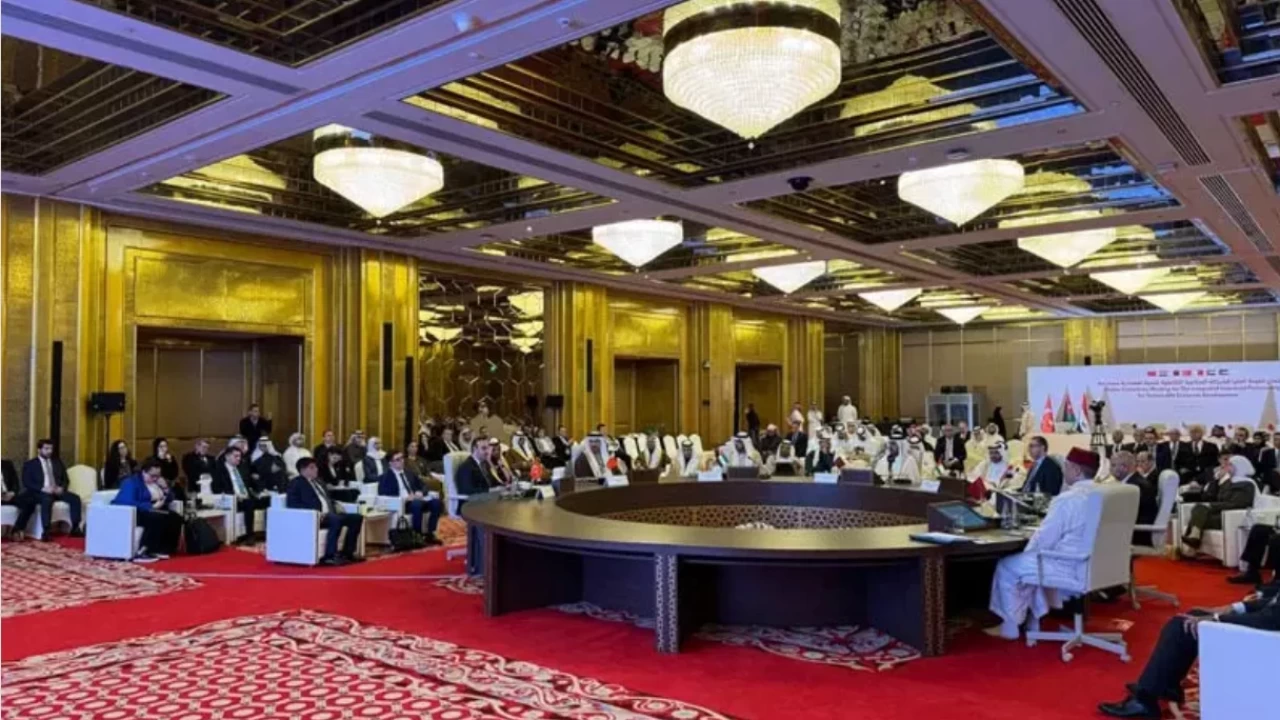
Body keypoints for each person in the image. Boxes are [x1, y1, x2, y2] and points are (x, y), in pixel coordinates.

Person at [1097, 581, 1280, 718]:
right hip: (1269, 627)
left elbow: (1272, 618)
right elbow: (1274, 602)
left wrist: (1218, 618)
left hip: (1267, 638)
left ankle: (1145, 700)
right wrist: (1233, 608)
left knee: (1181, 626)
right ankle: (1162, 686)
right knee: (1192, 616)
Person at [987, 447, 1106, 640]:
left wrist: (1026, 551)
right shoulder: (1106, 495)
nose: (1064, 471)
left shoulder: (1068, 499)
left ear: (1076, 470)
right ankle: (1033, 620)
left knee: (1009, 566)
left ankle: (1010, 626)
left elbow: (1044, 539)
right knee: (1030, 564)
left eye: (1067, 467)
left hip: (1068, 565)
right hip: (1099, 566)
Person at [287, 457, 365, 565]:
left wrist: (336, 504)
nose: (316, 469)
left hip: (330, 514)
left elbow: (325, 498)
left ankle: (347, 553)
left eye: (315, 467)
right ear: (303, 470)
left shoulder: (319, 481)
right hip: (313, 517)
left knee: (356, 518)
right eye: (312, 467)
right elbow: (293, 504)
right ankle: (330, 556)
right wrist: (316, 513)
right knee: (335, 519)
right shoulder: (296, 484)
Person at [1181, 455, 1258, 554]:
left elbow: (1237, 504)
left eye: (1230, 465)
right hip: (1221, 512)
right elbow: (1216, 496)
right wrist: (1217, 480)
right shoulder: (1230, 482)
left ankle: (1193, 541)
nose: (1227, 467)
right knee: (1199, 508)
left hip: (1232, 516)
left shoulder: (1247, 484)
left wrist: (1212, 506)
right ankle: (1194, 537)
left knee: (1199, 517)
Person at [112, 459, 185, 561]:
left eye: (158, 476)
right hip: (138, 511)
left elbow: (170, 498)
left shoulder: (157, 482)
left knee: (176, 518)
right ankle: (146, 550)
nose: (155, 479)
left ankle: (165, 549)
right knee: (156, 518)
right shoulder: (132, 482)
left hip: (156, 509)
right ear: (144, 472)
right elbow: (125, 501)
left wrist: (165, 488)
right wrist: (150, 506)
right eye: (152, 476)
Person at [19, 439, 83, 539]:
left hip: (57, 491)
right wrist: (42, 488)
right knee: (47, 500)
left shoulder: (57, 462)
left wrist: (61, 488)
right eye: (46, 449)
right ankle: (46, 531)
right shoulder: (30, 464)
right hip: (40, 492)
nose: (49, 451)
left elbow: (65, 479)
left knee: (75, 498)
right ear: (39, 450)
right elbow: (27, 482)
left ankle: (75, 527)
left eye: (51, 449)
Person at [377, 450, 443, 545]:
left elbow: (423, 485)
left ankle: (430, 533)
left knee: (436, 503)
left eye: (402, 458)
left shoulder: (409, 472)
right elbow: (383, 494)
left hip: (417, 499)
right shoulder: (385, 477)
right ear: (391, 463)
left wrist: (420, 492)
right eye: (398, 459)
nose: (402, 461)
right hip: (403, 503)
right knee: (417, 504)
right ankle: (417, 535)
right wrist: (405, 498)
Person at [211, 446, 270, 544]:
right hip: (232, 500)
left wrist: (261, 490)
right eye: (236, 456)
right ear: (227, 456)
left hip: (247, 497)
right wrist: (235, 496)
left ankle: (269, 531)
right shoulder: (219, 470)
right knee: (249, 503)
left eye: (240, 456)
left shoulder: (242, 468)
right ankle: (250, 535)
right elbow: (217, 489)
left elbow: (251, 483)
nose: (239, 458)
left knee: (269, 500)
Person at [1110, 451, 1157, 546]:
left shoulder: (1135, 486)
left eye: (1113, 465)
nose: (1110, 469)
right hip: (1132, 530)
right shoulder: (1133, 482)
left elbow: (1124, 515)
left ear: (1124, 467)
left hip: (1136, 535)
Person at [3, 458, 35, 540]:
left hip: (8, 495)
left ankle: (16, 530)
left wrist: (12, 493)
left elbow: (15, 483)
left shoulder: (7, 464)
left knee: (29, 502)